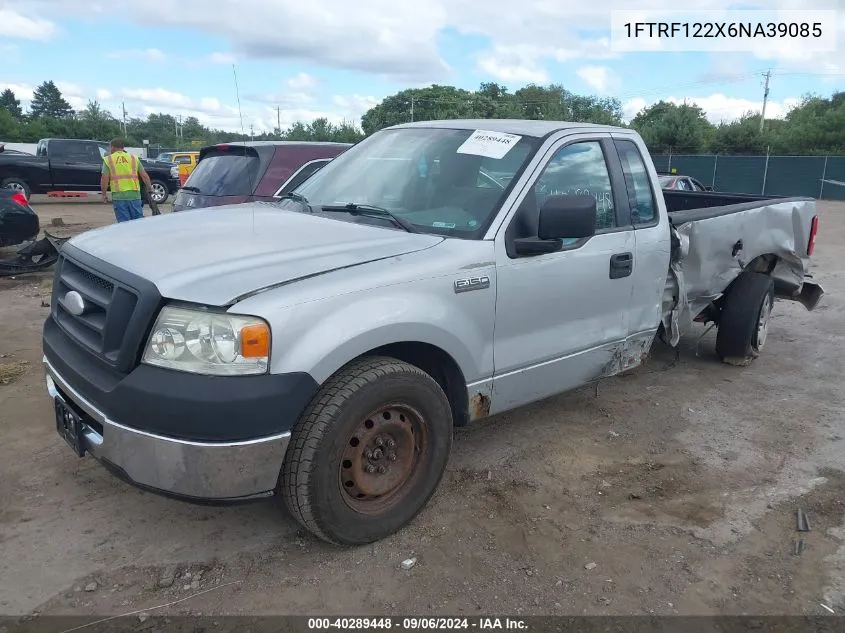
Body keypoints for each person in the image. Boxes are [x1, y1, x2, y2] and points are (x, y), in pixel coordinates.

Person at [100, 138, 153, 222]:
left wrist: (104, 194)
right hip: (134, 195)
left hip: (119, 197)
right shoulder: (133, 158)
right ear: (123, 147)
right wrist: (149, 188)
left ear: (112, 147)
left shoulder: (108, 159)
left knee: (123, 225)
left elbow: (104, 178)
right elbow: (144, 176)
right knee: (138, 223)